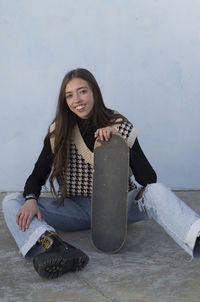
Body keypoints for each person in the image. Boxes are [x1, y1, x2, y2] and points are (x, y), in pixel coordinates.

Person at [2, 68, 200, 279]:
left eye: (82, 91)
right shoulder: (59, 130)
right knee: (12, 201)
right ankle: (55, 249)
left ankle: (196, 237)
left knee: (156, 191)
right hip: (76, 210)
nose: (77, 99)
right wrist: (31, 198)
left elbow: (149, 180)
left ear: (94, 92)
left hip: (118, 208)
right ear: (64, 101)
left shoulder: (118, 124)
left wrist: (121, 143)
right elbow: (37, 173)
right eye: (69, 95)